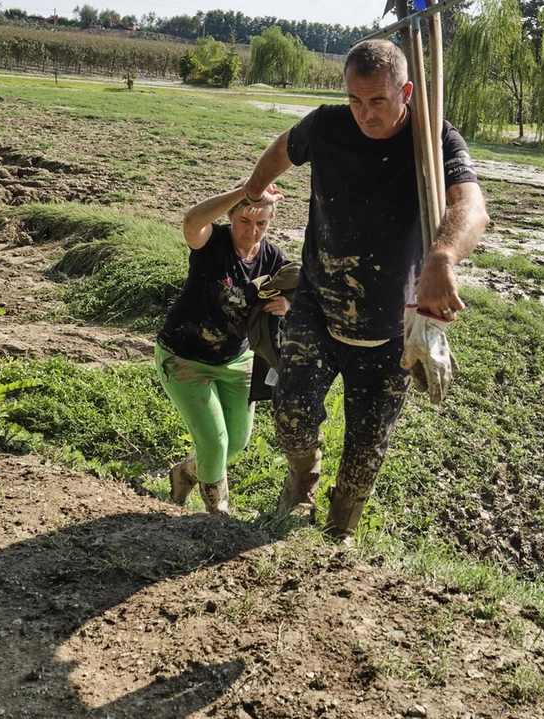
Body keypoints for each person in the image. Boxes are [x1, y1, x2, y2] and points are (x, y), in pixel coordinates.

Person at [239, 39, 489, 540]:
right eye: (355, 100)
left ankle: (340, 530)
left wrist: (441, 256)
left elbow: (472, 207)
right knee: (290, 415)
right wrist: (254, 188)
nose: (364, 114)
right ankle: (302, 483)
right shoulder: (327, 124)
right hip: (317, 302)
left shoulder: (433, 137)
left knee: (366, 448)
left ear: (407, 92)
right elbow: (283, 148)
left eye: (377, 101)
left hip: (391, 324)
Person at [155, 185, 290, 514]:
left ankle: (185, 472)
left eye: (261, 225)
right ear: (230, 216)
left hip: (237, 360)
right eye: (244, 221)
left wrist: (288, 302)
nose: (251, 231)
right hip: (184, 358)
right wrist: (248, 189)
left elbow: (304, 292)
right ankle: (218, 514)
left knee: (236, 443)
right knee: (214, 444)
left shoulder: (271, 258)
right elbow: (191, 221)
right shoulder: (212, 244)